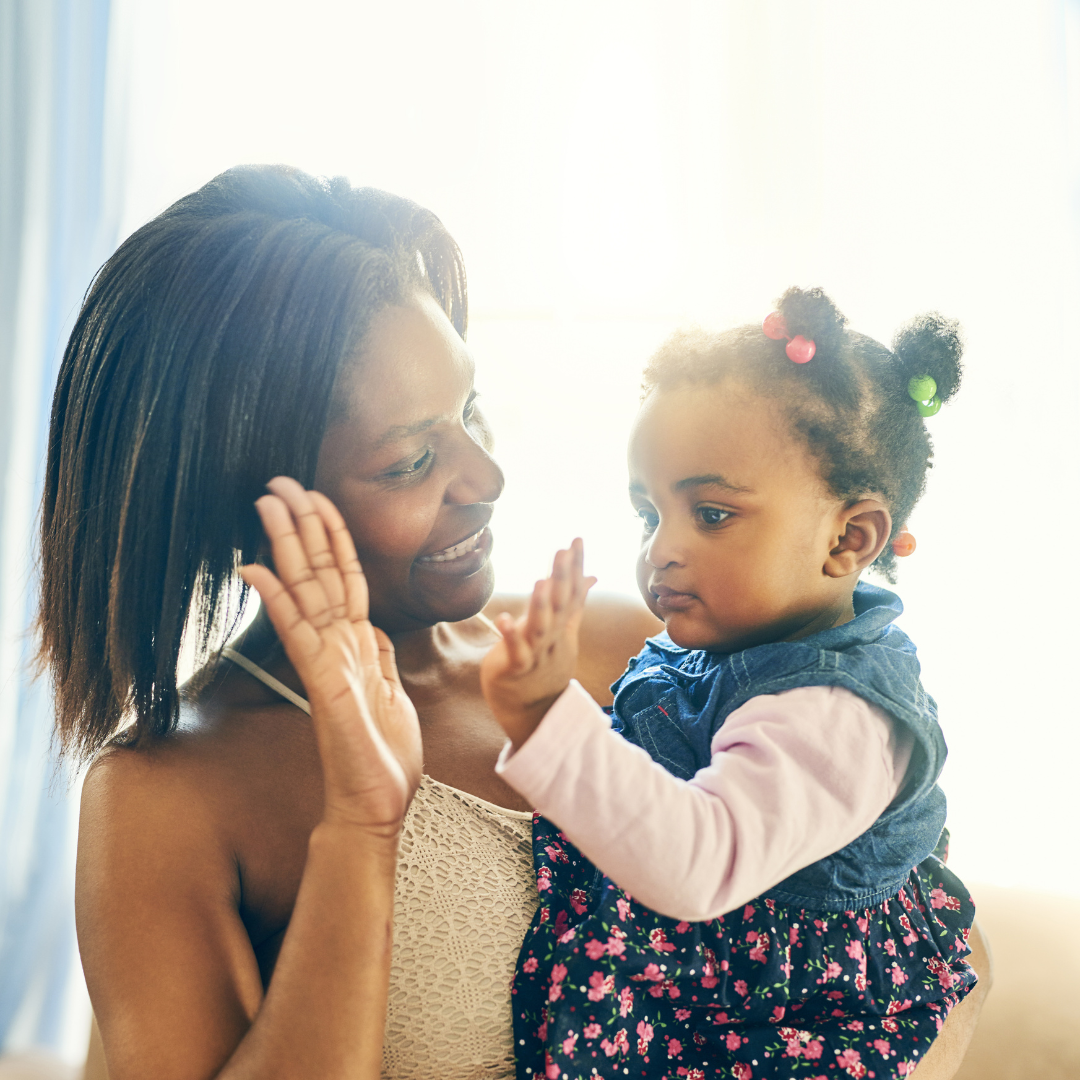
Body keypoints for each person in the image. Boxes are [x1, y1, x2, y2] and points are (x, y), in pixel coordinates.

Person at [36, 168, 987, 1080]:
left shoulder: (635, 652)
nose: (488, 480)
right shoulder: (165, 798)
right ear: (244, 500)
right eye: (412, 460)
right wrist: (362, 830)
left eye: (472, 410)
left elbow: (939, 947)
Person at [479, 288, 978, 1079]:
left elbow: (699, 860)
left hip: (781, 1031)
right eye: (649, 512)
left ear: (847, 540)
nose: (662, 549)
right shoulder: (731, 643)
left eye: (710, 514)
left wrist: (546, 715)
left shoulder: (836, 714)